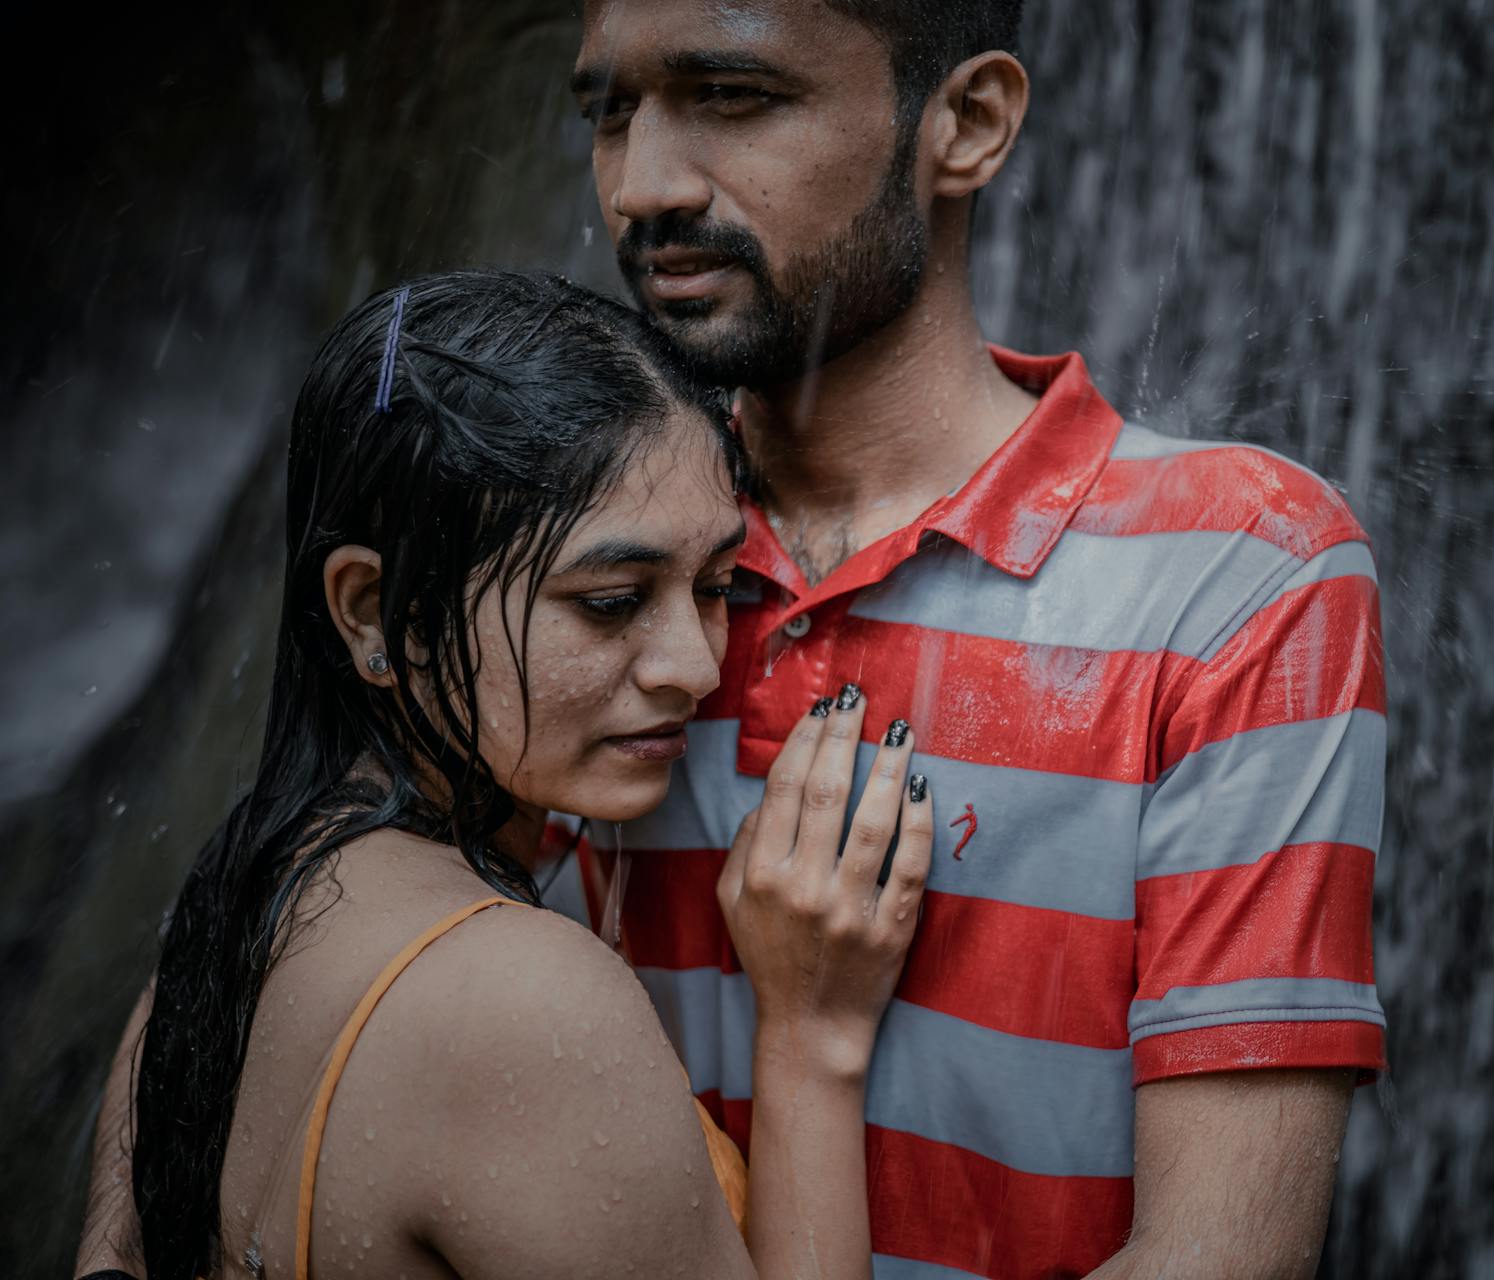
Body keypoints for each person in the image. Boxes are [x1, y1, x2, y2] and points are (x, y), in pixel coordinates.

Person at [560, 1, 1389, 1277]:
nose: (645, 185)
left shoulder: (1239, 571)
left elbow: (1216, 1258)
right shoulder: (573, 555)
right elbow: (299, 894)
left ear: (969, 122)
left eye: (732, 95)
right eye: (610, 112)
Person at [74, 268, 938, 1280]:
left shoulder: (220, 923)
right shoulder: (521, 1002)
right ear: (368, 609)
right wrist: (810, 1036)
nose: (698, 665)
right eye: (612, 600)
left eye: (716, 585)